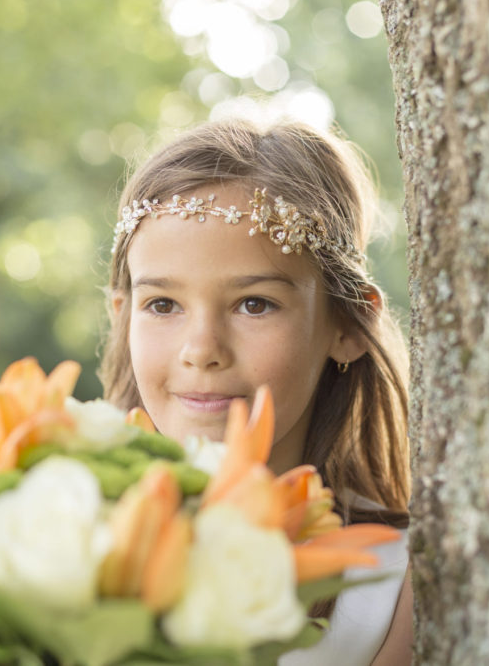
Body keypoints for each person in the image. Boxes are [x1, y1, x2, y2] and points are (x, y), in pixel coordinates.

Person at [99, 119, 412, 665]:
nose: (202, 349)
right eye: (163, 305)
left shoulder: (392, 582)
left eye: (254, 304)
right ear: (122, 316)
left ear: (350, 326)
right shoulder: (59, 528)